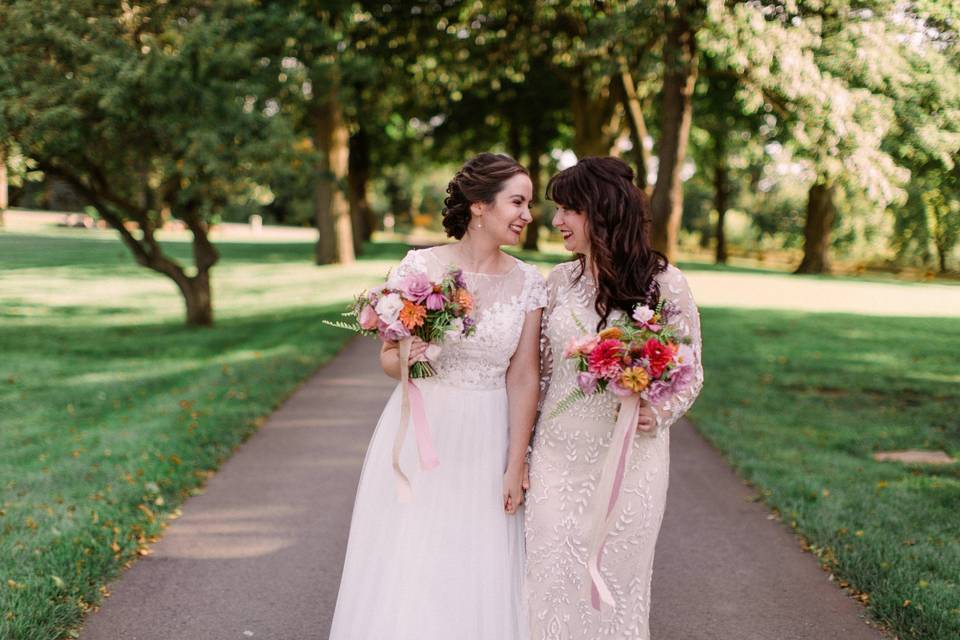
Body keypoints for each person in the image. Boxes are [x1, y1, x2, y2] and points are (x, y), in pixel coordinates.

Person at [329, 153, 546, 640]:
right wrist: (409, 357)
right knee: (417, 556)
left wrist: (516, 463)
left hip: (491, 434)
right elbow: (389, 359)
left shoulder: (530, 281)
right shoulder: (421, 267)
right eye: (517, 202)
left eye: (529, 204)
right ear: (478, 206)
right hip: (426, 429)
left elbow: (524, 377)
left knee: (480, 558)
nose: (528, 215)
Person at [525, 156, 704, 639]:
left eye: (568, 210)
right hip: (557, 455)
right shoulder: (559, 282)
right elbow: (539, 376)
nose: (556, 221)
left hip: (631, 459)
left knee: (617, 583)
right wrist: (519, 451)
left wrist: (658, 409)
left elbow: (690, 371)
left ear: (601, 211)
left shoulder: (665, 284)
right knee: (548, 575)